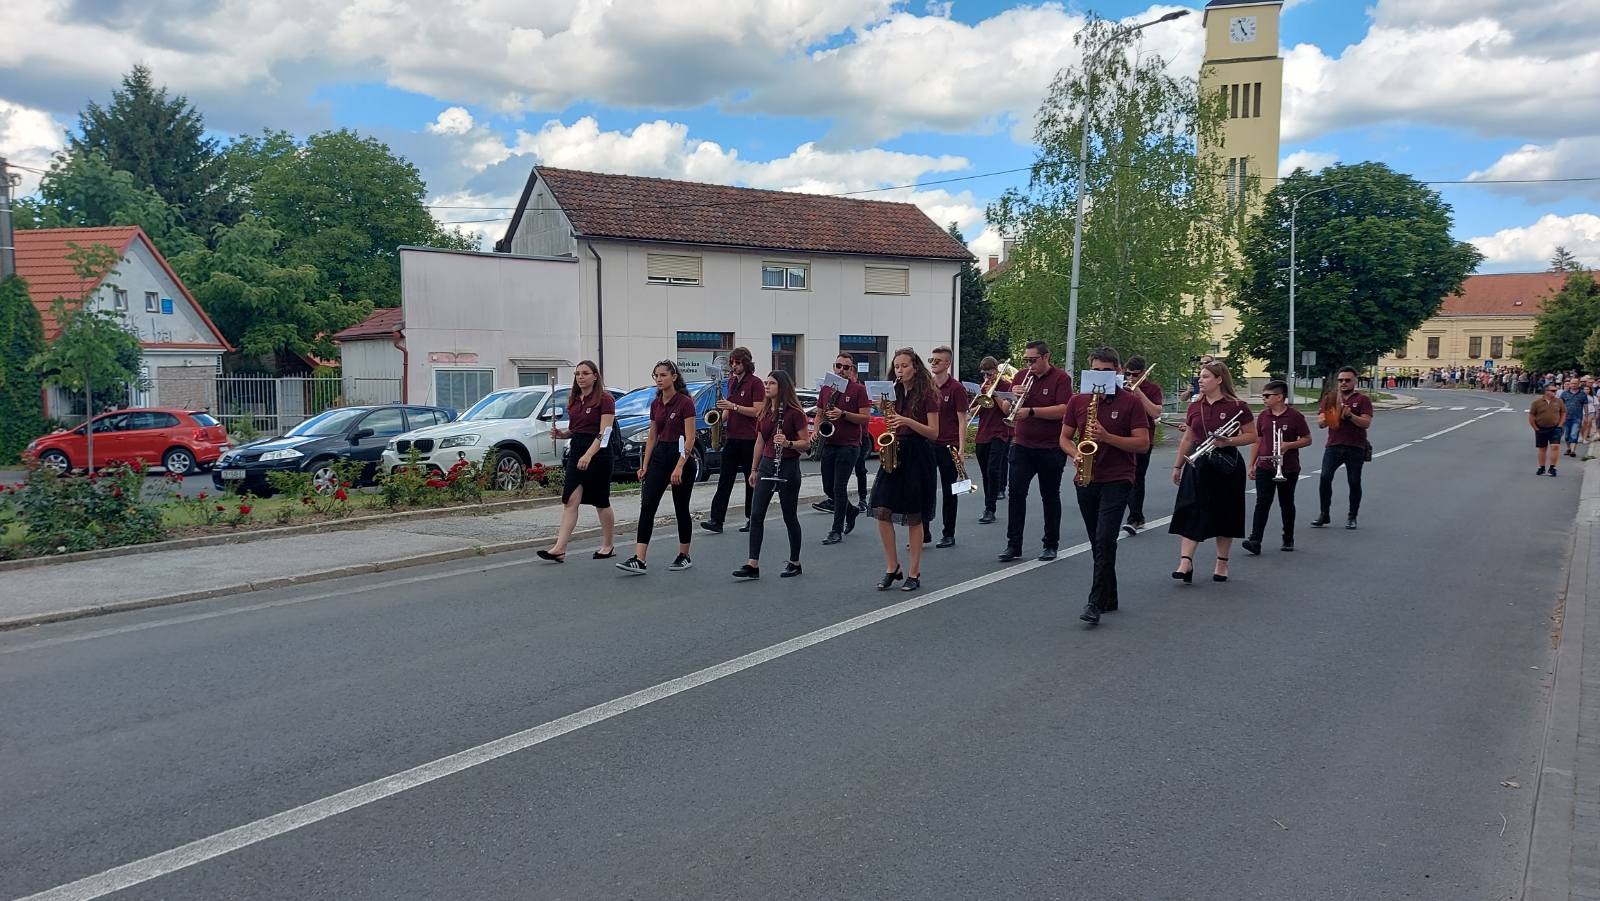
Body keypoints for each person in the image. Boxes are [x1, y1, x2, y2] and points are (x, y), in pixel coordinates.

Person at [1061, 347, 1151, 625]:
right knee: (1097, 541)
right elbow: (1064, 438)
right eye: (1095, 371)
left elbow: (1143, 443)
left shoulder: (1130, 402)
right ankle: (1109, 596)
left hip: (1119, 476)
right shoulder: (1078, 401)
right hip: (1086, 476)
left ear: (1118, 372)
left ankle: (1094, 602)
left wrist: (1108, 437)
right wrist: (1075, 453)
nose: (1100, 376)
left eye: (1106, 371)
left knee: (1104, 539)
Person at [1169, 360, 1256, 583]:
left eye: (1206, 376)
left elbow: (1251, 436)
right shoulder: (1194, 406)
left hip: (1225, 464)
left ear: (1219, 380)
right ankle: (1185, 561)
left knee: (1225, 512)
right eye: (1200, 376)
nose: (1201, 380)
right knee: (1190, 509)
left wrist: (1227, 441)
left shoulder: (1237, 406)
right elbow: (1188, 437)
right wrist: (1178, 465)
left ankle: (1221, 563)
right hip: (1198, 464)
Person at [616, 361, 698, 574]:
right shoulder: (656, 404)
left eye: (663, 375)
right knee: (648, 507)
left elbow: (690, 438)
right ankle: (640, 559)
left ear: (674, 377)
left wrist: (680, 465)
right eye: (656, 376)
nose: (659, 379)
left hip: (680, 457)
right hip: (660, 456)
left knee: (681, 508)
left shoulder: (685, 402)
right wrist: (645, 465)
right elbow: (652, 435)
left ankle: (684, 554)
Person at [870, 347, 940, 592]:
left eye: (904, 366)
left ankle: (914, 571)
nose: (899, 371)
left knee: (914, 516)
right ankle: (893, 567)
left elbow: (934, 432)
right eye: (896, 367)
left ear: (916, 367)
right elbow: (891, 423)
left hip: (918, 454)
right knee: (881, 510)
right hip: (895, 451)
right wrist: (885, 410)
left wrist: (907, 420)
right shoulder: (893, 391)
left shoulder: (928, 394)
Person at [732, 372, 811, 580]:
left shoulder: (795, 413)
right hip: (767, 464)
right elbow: (759, 441)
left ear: (782, 386)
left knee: (789, 515)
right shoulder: (766, 411)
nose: (767, 386)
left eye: (772, 383)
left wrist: (788, 443)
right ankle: (752, 564)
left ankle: (795, 562)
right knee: (756, 514)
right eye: (766, 383)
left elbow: (806, 444)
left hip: (788, 465)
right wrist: (754, 469)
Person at [999, 340, 1073, 562]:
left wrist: (1031, 411)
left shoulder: (1061, 378)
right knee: (1016, 495)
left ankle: (1050, 544)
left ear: (1045, 357)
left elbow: (1063, 410)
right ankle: (1014, 545)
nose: (1029, 365)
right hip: (1022, 445)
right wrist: (1012, 396)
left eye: (1033, 360)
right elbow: (1005, 406)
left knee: (1050, 496)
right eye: (1026, 360)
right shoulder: (1021, 376)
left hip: (1050, 447)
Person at [538, 360, 617, 562]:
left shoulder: (605, 400)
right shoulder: (574, 400)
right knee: (571, 500)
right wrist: (562, 434)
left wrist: (589, 455)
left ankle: (608, 545)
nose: (580, 377)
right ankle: (560, 548)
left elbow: (604, 432)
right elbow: (576, 429)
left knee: (601, 501)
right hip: (577, 450)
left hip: (599, 454)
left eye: (584, 373)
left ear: (595, 376)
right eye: (577, 374)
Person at [1241, 379, 1312, 555]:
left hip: (1288, 467)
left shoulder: (1295, 416)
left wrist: (1288, 445)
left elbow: (1307, 439)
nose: (1263, 399)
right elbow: (1258, 440)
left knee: (1286, 503)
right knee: (1262, 502)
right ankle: (1255, 540)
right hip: (1265, 465)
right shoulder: (1264, 416)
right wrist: (1252, 464)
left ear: (1279, 397)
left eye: (1267, 396)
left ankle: (1288, 538)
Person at [702, 347, 763, 534]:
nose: (733, 366)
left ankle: (752, 519)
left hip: (750, 438)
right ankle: (716, 520)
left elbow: (757, 411)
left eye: (737, 363)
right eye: (732, 363)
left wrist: (733, 406)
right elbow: (728, 410)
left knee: (750, 480)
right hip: (732, 437)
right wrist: (719, 418)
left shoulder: (756, 383)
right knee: (724, 479)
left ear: (746, 363)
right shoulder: (731, 382)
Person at [815, 353, 871, 545]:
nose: (841, 370)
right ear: (834, 366)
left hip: (849, 445)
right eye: (838, 366)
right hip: (829, 443)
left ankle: (836, 530)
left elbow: (865, 418)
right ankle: (851, 510)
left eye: (846, 367)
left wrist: (843, 414)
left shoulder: (858, 390)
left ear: (851, 370)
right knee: (828, 487)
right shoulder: (826, 389)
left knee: (839, 487)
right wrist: (816, 431)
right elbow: (820, 413)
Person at [1313, 366, 1374, 530]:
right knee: (1325, 477)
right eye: (1341, 380)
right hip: (1334, 445)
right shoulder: (1330, 398)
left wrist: (1350, 416)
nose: (1343, 383)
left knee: (1354, 481)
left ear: (1355, 381)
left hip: (1355, 446)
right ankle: (1324, 514)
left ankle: (1352, 516)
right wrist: (1334, 414)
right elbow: (1320, 423)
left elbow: (1366, 423)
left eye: (1347, 380)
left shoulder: (1362, 400)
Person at [926, 346, 971, 548]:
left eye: (937, 360)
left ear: (947, 364)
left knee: (949, 490)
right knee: (924, 488)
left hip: (949, 445)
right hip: (929, 444)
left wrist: (961, 450)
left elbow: (963, 420)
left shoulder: (956, 389)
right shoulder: (927, 386)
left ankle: (948, 533)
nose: (933, 364)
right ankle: (924, 531)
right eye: (931, 360)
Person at [1120, 355, 1164, 535]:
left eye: (1134, 375)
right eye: (1127, 374)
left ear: (1143, 374)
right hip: (1121, 438)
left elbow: (1155, 412)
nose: (1130, 378)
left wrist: (1138, 392)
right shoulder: (1120, 387)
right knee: (1121, 477)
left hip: (1143, 439)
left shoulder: (1153, 389)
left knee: (1137, 478)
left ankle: (1135, 518)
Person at [973, 356, 1013, 524]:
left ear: (996, 371)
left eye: (989, 374)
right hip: (983, 433)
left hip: (1000, 433)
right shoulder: (983, 388)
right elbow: (973, 411)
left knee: (993, 469)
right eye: (984, 374)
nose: (986, 378)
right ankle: (989, 501)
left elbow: (1006, 410)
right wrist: (981, 401)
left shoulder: (1006, 386)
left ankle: (990, 508)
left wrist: (994, 393)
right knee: (985, 473)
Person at [1530, 382, 1566, 476]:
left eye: (1556, 391)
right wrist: (1535, 428)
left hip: (1555, 428)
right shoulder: (1537, 403)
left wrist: (1560, 425)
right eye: (1553, 390)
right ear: (1546, 391)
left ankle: (1552, 467)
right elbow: (1531, 415)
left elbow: (1563, 413)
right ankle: (1541, 467)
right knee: (1542, 449)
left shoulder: (1559, 401)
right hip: (1541, 428)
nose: (1555, 392)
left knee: (1555, 447)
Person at [1560, 377, 1587, 458]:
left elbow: (1585, 405)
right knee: (1567, 436)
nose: (1573, 385)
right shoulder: (1564, 394)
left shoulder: (1582, 394)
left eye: (1575, 383)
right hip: (1566, 417)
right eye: (1572, 383)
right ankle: (1568, 448)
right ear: (1570, 384)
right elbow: (1560, 405)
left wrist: (1586, 415)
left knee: (1574, 434)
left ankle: (1573, 451)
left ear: (1579, 384)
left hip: (1577, 417)